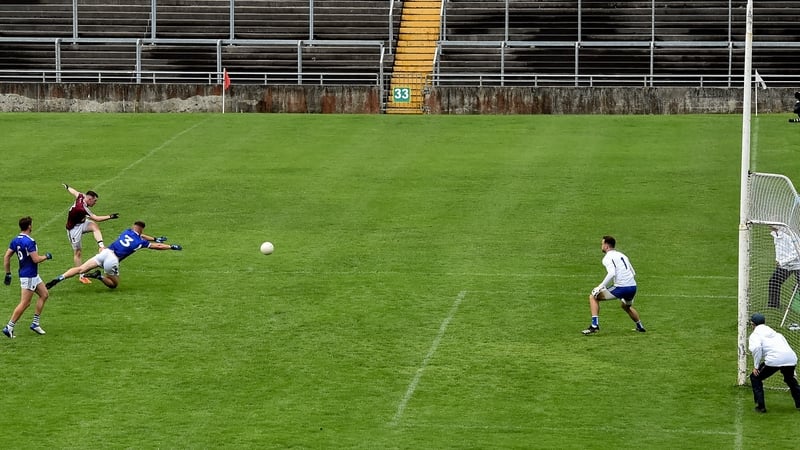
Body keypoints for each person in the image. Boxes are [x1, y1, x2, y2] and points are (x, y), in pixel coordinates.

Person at [46, 221, 179, 290]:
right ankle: (99, 276)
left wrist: (155, 238)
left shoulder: (127, 231)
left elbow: (141, 234)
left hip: (105, 252)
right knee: (114, 285)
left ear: (134, 227)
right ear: (142, 229)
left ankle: (60, 277)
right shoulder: (140, 242)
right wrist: (170, 246)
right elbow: (157, 247)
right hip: (113, 260)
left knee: (80, 269)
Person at [582, 235, 646, 335]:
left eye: (602, 244)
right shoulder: (623, 255)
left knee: (593, 296)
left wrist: (600, 287)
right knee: (626, 306)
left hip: (621, 288)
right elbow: (633, 272)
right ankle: (640, 326)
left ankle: (594, 326)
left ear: (607, 246)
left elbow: (612, 273)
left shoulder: (607, 258)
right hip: (633, 287)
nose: (601, 246)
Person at [2, 216, 53, 338]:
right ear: (29, 226)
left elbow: (7, 256)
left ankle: (35, 323)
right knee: (25, 303)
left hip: (31, 275)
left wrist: (8, 273)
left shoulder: (15, 240)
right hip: (29, 276)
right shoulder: (29, 241)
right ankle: (9, 327)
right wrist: (46, 256)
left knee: (44, 294)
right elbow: (36, 259)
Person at [61, 183, 119, 284]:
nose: (95, 203)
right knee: (78, 252)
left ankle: (101, 246)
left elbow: (75, 192)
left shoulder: (82, 196)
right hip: (73, 229)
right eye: (95, 201)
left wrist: (67, 187)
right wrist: (110, 216)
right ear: (89, 199)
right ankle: (81, 275)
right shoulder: (82, 208)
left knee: (94, 226)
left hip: (82, 223)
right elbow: (96, 218)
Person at [748, 312, 800, 413]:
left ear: (753, 325)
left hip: (774, 359)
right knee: (790, 380)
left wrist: (756, 366)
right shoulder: (776, 334)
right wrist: (793, 370)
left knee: (755, 377)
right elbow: (786, 347)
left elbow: (757, 349)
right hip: (791, 358)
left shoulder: (755, 335)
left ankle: (761, 407)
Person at [767, 225, 800, 308]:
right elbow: (780, 250)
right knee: (774, 281)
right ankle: (773, 304)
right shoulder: (775, 234)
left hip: (797, 265)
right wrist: (778, 259)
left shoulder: (790, 235)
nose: (769, 225)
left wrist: (782, 262)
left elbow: (796, 253)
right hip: (785, 265)